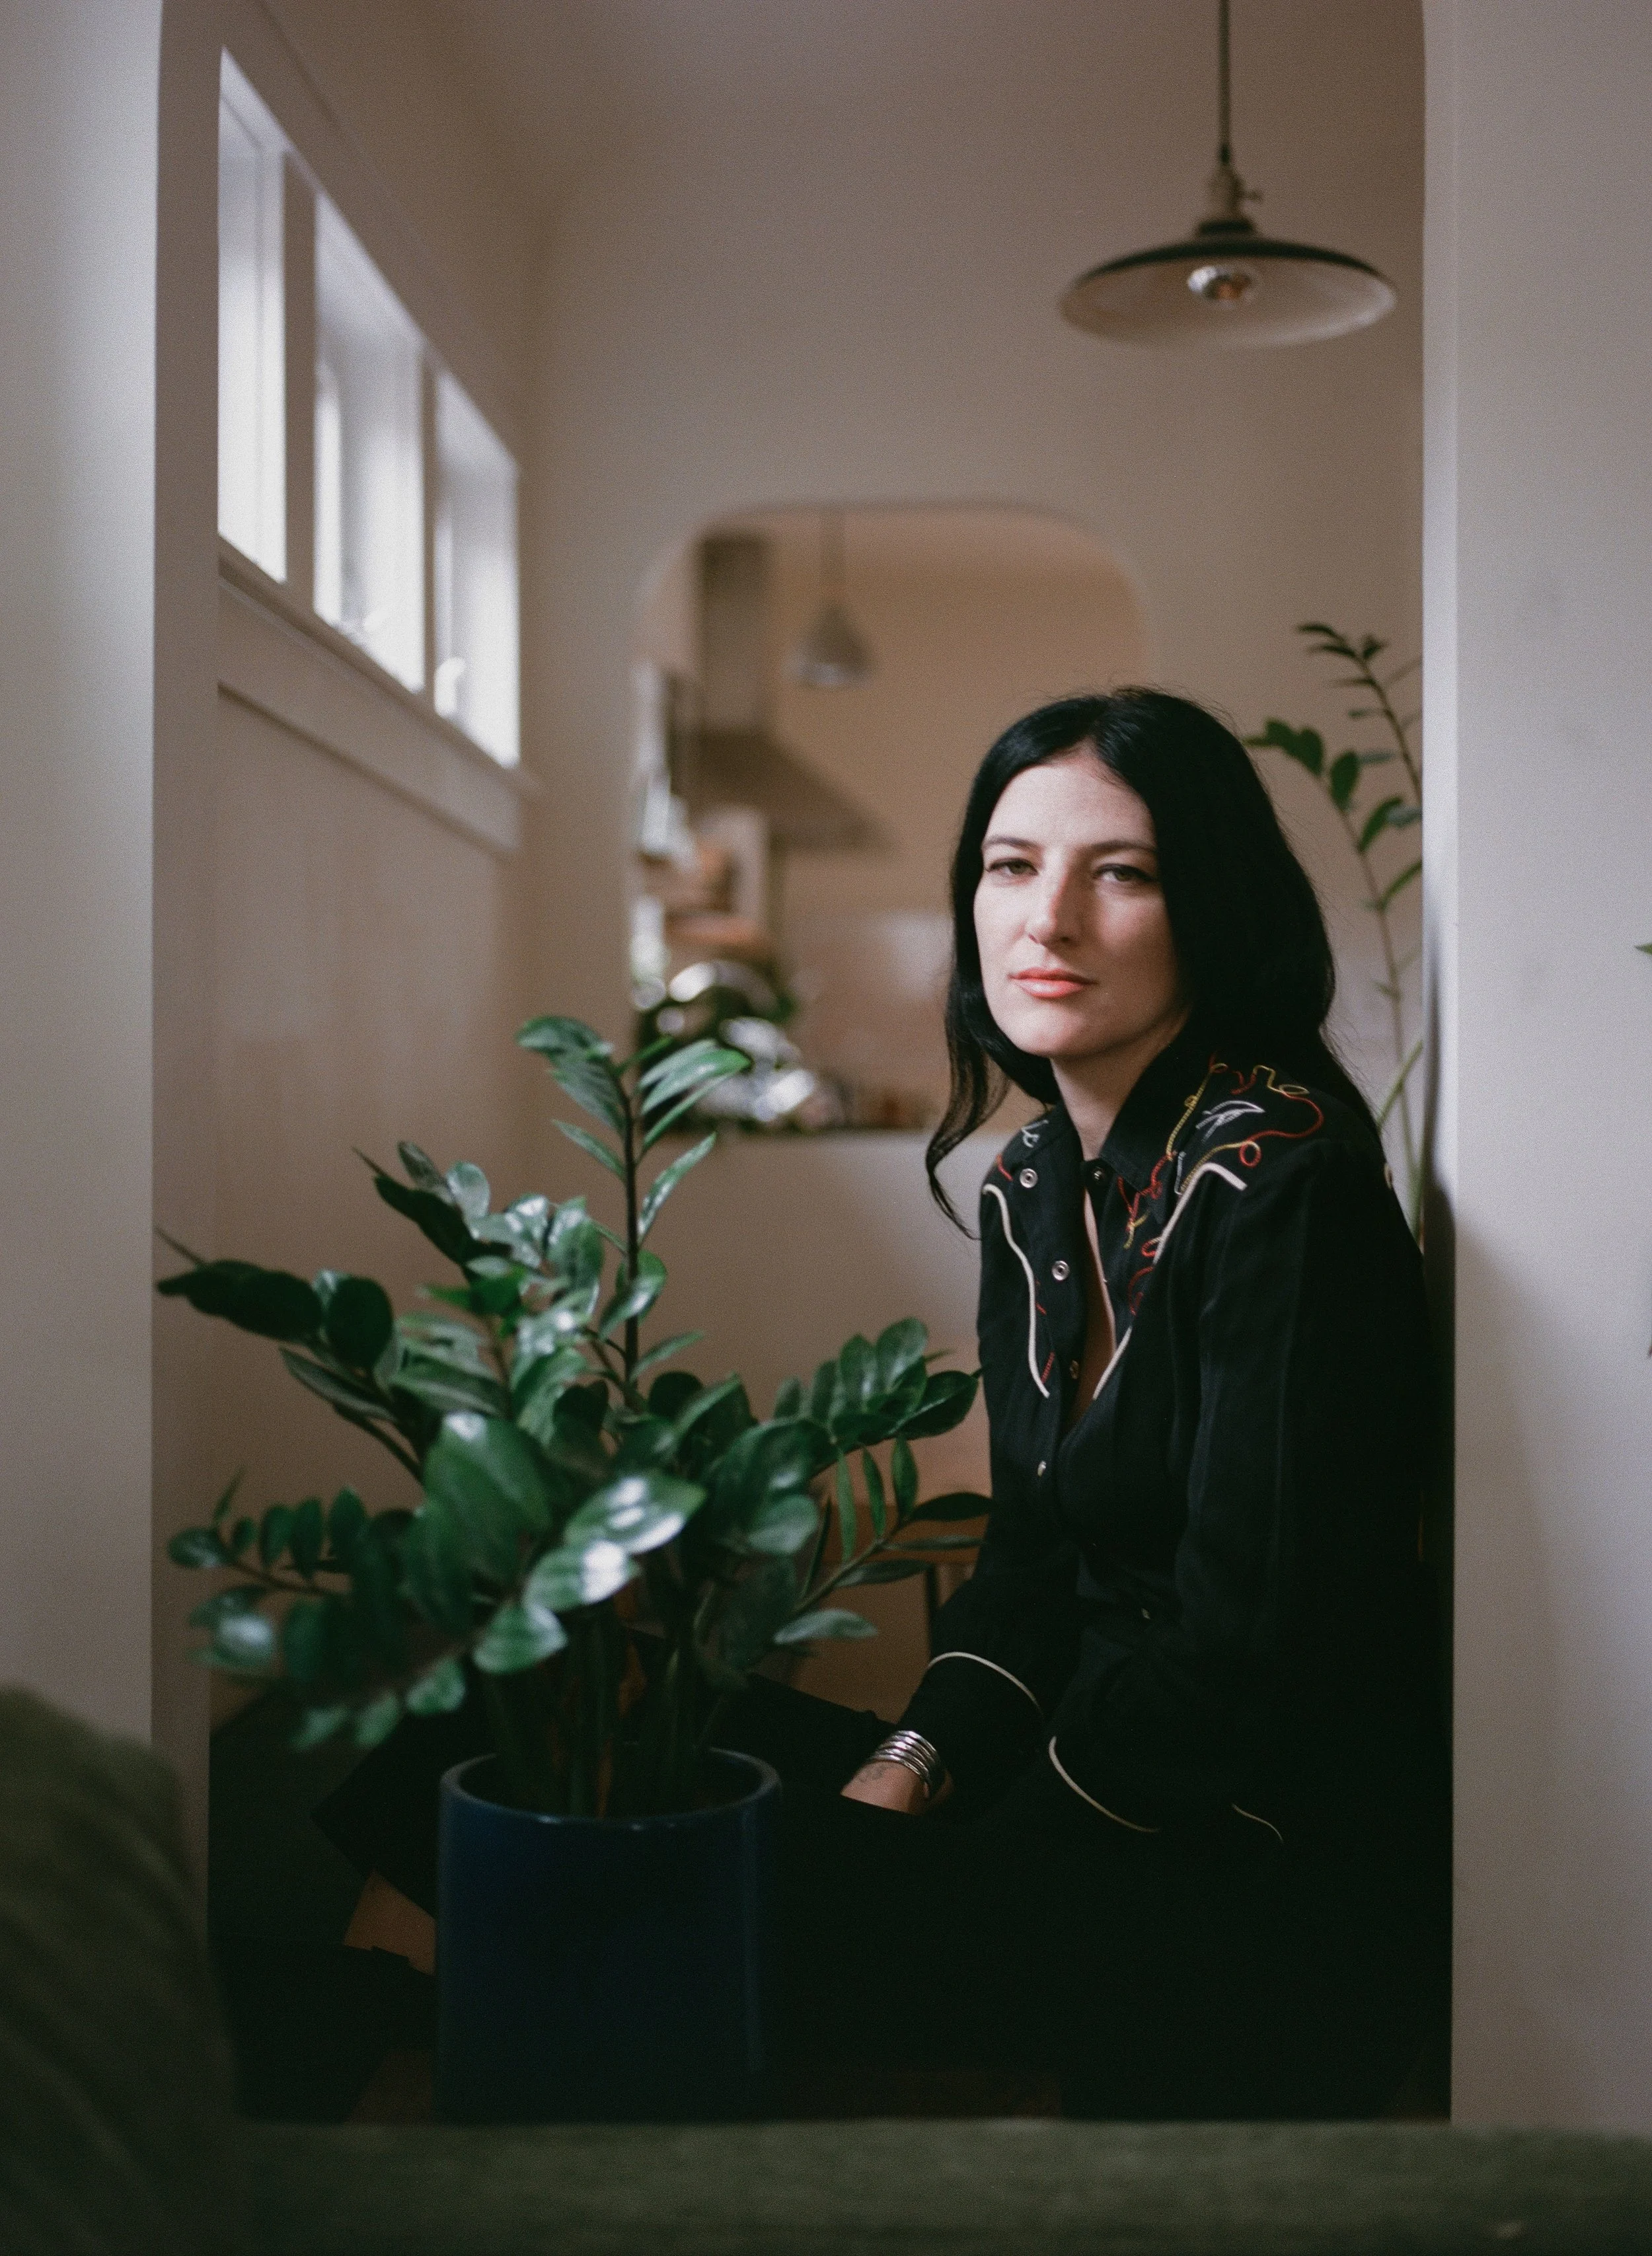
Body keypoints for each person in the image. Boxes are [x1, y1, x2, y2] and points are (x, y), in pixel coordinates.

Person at [326, 689, 1445, 2119]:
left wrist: (960, 1842)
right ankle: (388, 2112)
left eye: (1123, 872)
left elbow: (1248, 1658)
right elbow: (1030, 1564)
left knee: (624, 1857)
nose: (1047, 920)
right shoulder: (1037, 1186)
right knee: (493, 1719)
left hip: (1216, 1866)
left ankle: (447, 2136)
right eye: (1009, 864)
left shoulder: (1281, 1182)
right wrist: (910, 1763)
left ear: (1210, 908)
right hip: (1057, 1781)